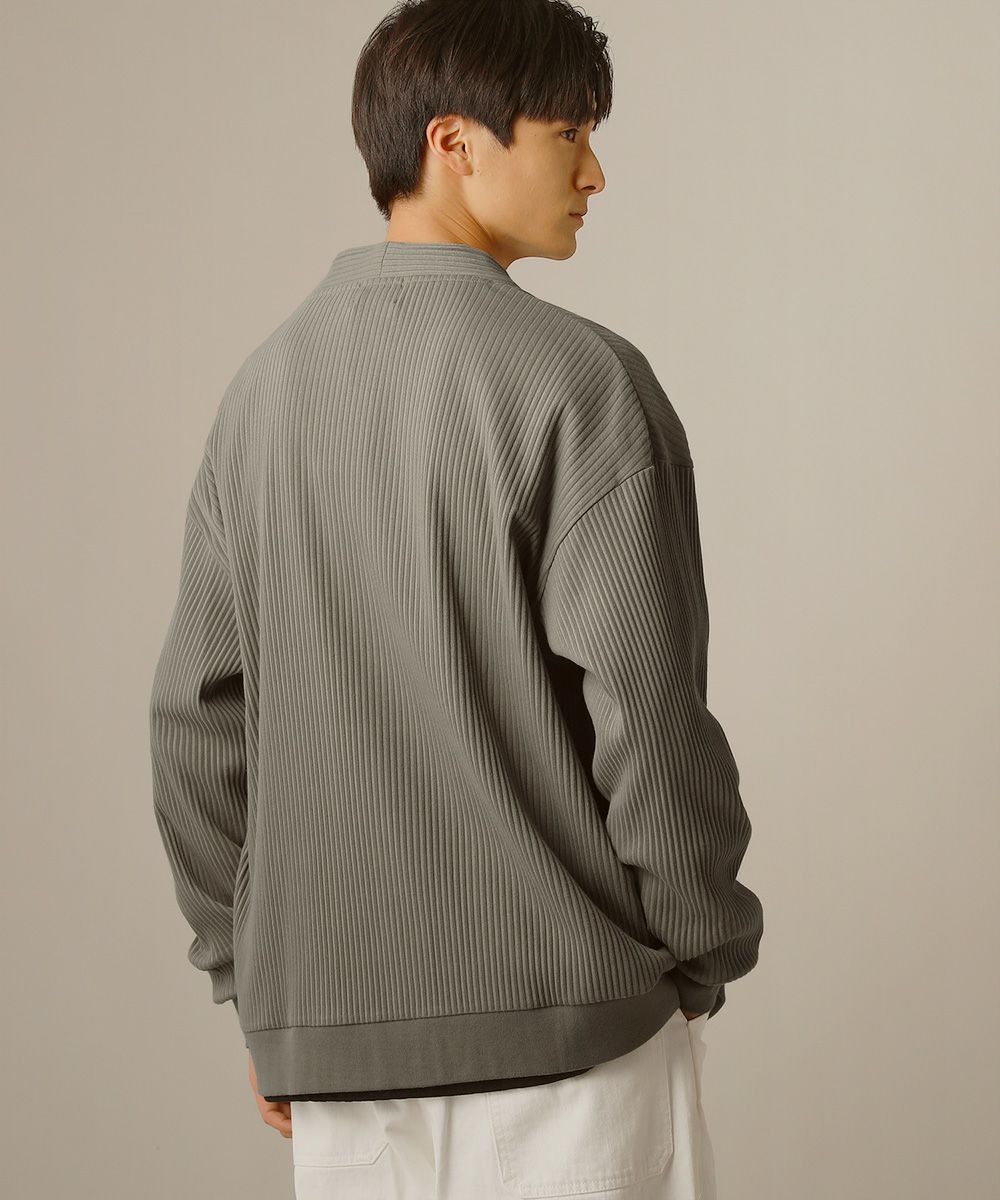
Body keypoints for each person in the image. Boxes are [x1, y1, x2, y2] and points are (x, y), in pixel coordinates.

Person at [148, 1, 764, 1196]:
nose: (594, 173)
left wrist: (255, 983)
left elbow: (192, 723)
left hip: (337, 1061)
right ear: (454, 142)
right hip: (576, 1048)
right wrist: (701, 945)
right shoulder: (581, 383)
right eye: (568, 133)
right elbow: (647, 716)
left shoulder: (260, 395)